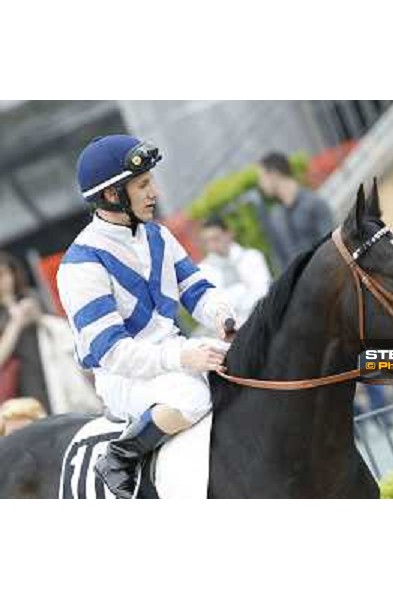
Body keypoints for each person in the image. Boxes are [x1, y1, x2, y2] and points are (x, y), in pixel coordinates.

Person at [57, 135, 236, 499]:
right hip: (123, 377)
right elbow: (112, 353)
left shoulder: (159, 235)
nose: (153, 191)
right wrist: (183, 357)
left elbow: (197, 291)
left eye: (150, 181)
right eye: (142, 184)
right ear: (111, 195)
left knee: (249, 364)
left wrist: (222, 318)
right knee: (192, 398)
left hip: (175, 354)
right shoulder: (80, 264)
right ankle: (120, 456)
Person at [0, 252, 100, 415]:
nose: (3, 281)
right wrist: (16, 322)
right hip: (20, 382)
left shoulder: (29, 296)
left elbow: (57, 327)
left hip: (51, 366)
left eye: (4, 274)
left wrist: (37, 315)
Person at [257, 151, 333, 269]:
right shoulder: (276, 217)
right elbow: (282, 264)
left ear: (274, 174)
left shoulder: (314, 203)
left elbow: (332, 248)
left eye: (262, 177)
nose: (260, 184)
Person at [198, 215, 271, 325]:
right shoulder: (203, 272)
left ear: (228, 234)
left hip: (265, 317)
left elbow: (263, 291)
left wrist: (232, 299)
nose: (213, 246)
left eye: (216, 238)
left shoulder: (252, 256)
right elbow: (214, 308)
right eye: (207, 242)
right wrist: (243, 290)